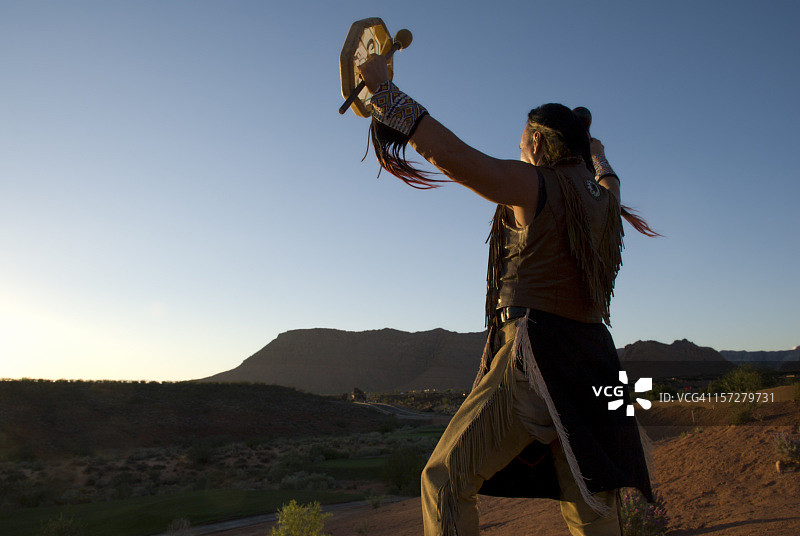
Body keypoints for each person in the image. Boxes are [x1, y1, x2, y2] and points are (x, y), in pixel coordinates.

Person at [357, 56, 655, 536]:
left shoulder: (536, 183)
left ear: (537, 141)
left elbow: (459, 160)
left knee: (444, 480)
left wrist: (386, 94)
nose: (518, 152)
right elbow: (608, 176)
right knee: (592, 507)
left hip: (538, 356)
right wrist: (595, 149)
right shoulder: (604, 200)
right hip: (596, 359)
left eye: (521, 143)